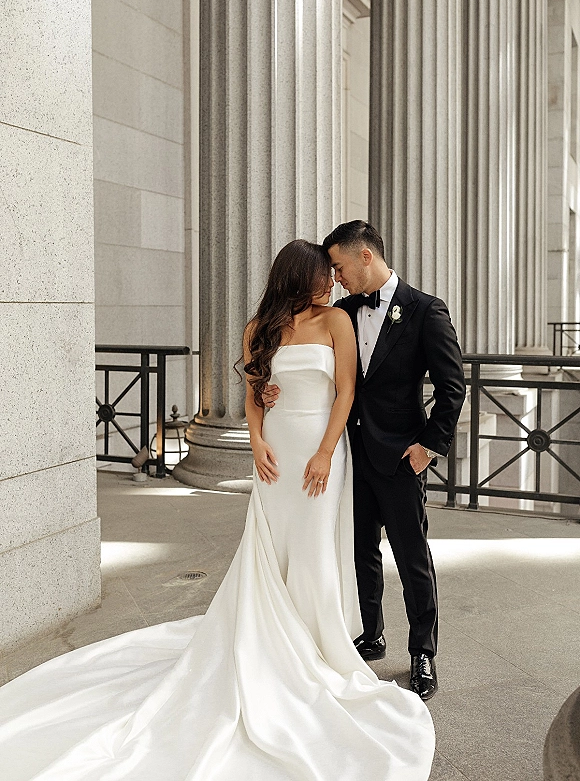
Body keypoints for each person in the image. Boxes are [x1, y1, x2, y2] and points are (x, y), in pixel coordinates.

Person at [0, 239, 435, 781]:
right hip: (276, 450)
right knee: (272, 544)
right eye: (323, 273)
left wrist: (325, 451)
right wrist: (255, 442)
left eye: (334, 271)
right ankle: (272, 643)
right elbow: (255, 391)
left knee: (315, 545)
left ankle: (318, 646)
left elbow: (345, 393)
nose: (332, 282)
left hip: (322, 449)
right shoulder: (261, 328)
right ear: (298, 276)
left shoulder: (337, 323)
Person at [265, 223, 466, 701]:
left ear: (366, 258)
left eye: (339, 266)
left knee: (411, 554)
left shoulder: (425, 311)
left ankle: (422, 652)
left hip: (400, 458)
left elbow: (452, 386)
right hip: (348, 455)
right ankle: (370, 633)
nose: (335, 276)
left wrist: (426, 447)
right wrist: (276, 389)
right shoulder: (343, 311)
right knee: (358, 550)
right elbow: (325, 373)